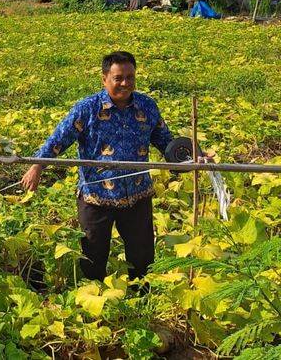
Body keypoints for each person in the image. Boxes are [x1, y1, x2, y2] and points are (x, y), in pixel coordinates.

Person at [21, 51, 173, 282]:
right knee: (93, 257)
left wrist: (192, 155)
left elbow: (166, 141)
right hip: (96, 197)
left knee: (142, 258)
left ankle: (142, 303)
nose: (125, 83)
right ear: (104, 79)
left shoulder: (147, 106)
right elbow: (60, 138)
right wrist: (37, 166)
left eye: (130, 77)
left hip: (137, 194)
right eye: (118, 78)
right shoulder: (87, 108)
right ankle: (95, 307)